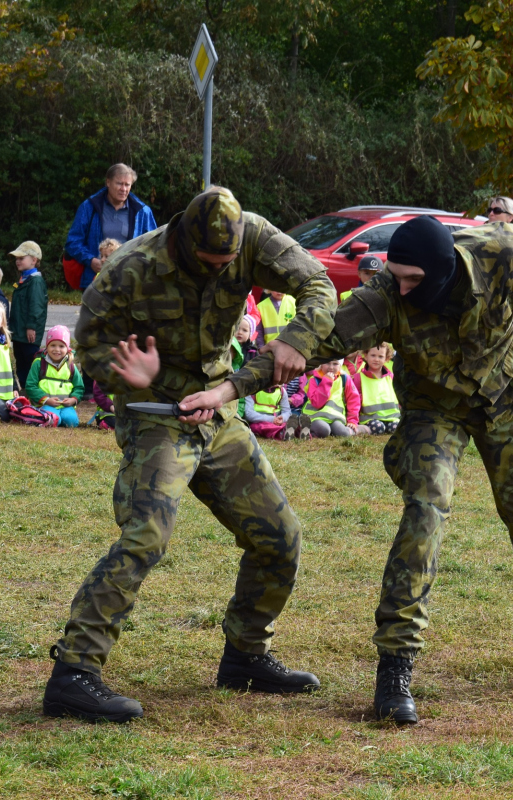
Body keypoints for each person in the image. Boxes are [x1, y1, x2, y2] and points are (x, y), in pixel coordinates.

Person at [185, 215, 513, 726]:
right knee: (425, 513)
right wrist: (229, 388)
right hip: (434, 408)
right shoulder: (385, 296)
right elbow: (314, 343)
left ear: (442, 270)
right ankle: (394, 668)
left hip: (510, 396)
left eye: (414, 279)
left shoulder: (502, 251)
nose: (402, 287)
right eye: (395, 276)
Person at [42, 187, 337, 723]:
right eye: (208, 262)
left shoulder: (254, 235)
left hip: (218, 409)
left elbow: (319, 283)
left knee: (280, 536)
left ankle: (245, 656)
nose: (219, 271)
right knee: (146, 536)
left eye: (229, 263)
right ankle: (73, 674)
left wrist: (297, 338)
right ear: (182, 239)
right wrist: (125, 373)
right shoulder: (133, 265)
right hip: (157, 413)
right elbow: (89, 341)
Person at [63, 164, 158, 290]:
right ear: (108, 182)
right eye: (119, 183)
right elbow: (72, 242)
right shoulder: (89, 207)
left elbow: (154, 245)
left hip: (129, 282)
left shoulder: (143, 212)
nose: (123, 189)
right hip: (95, 280)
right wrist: (90, 260)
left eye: (127, 185)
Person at [7, 241, 48, 390]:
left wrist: (31, 326)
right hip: (19, 333)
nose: (18, 261)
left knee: (31, 361)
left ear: (34, 260)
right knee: (20, 362)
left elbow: (36, 306)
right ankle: (24, 389)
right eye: (16, 258)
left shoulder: (35, 281)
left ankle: (34, 390)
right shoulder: (23, 279)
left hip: (29, 334)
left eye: (21, 258)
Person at [26, 325, 84, 428]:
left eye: (61, 346)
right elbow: (31, 386)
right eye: (53, 345)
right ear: (47, 346)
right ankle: (48, 417)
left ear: (67, 348)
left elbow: (79, 387)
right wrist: (46, 400)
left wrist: (73, 400)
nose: (57, 349)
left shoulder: (71, 366)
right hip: (45, 404)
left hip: (66, 406)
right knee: (53, 420)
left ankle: (62, 417)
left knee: (71, 422)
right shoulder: (39, 363)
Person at [298, 358, 360, 438]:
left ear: (340, 366)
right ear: (321, 364)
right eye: (327, 363)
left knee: (343, 433)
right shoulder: (314, 379)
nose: (331, 367)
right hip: (315, 417)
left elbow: (353, 400)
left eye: (335, 364)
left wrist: (352, 420)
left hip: (335, 418)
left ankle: (358, 430)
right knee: (324, 430)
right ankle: (305, 430)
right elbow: (317, 403)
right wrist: (326, 382)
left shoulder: (345, 379)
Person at [357, 343, 399, 435]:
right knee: (378, 428)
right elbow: (354, 401)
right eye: (373, 355)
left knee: (396, 428)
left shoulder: (391, 377)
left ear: (386, 359)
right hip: (370, 419)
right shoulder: (358, 378)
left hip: (392, 418)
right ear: (365, 356)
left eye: (380, 356)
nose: (376, 359)